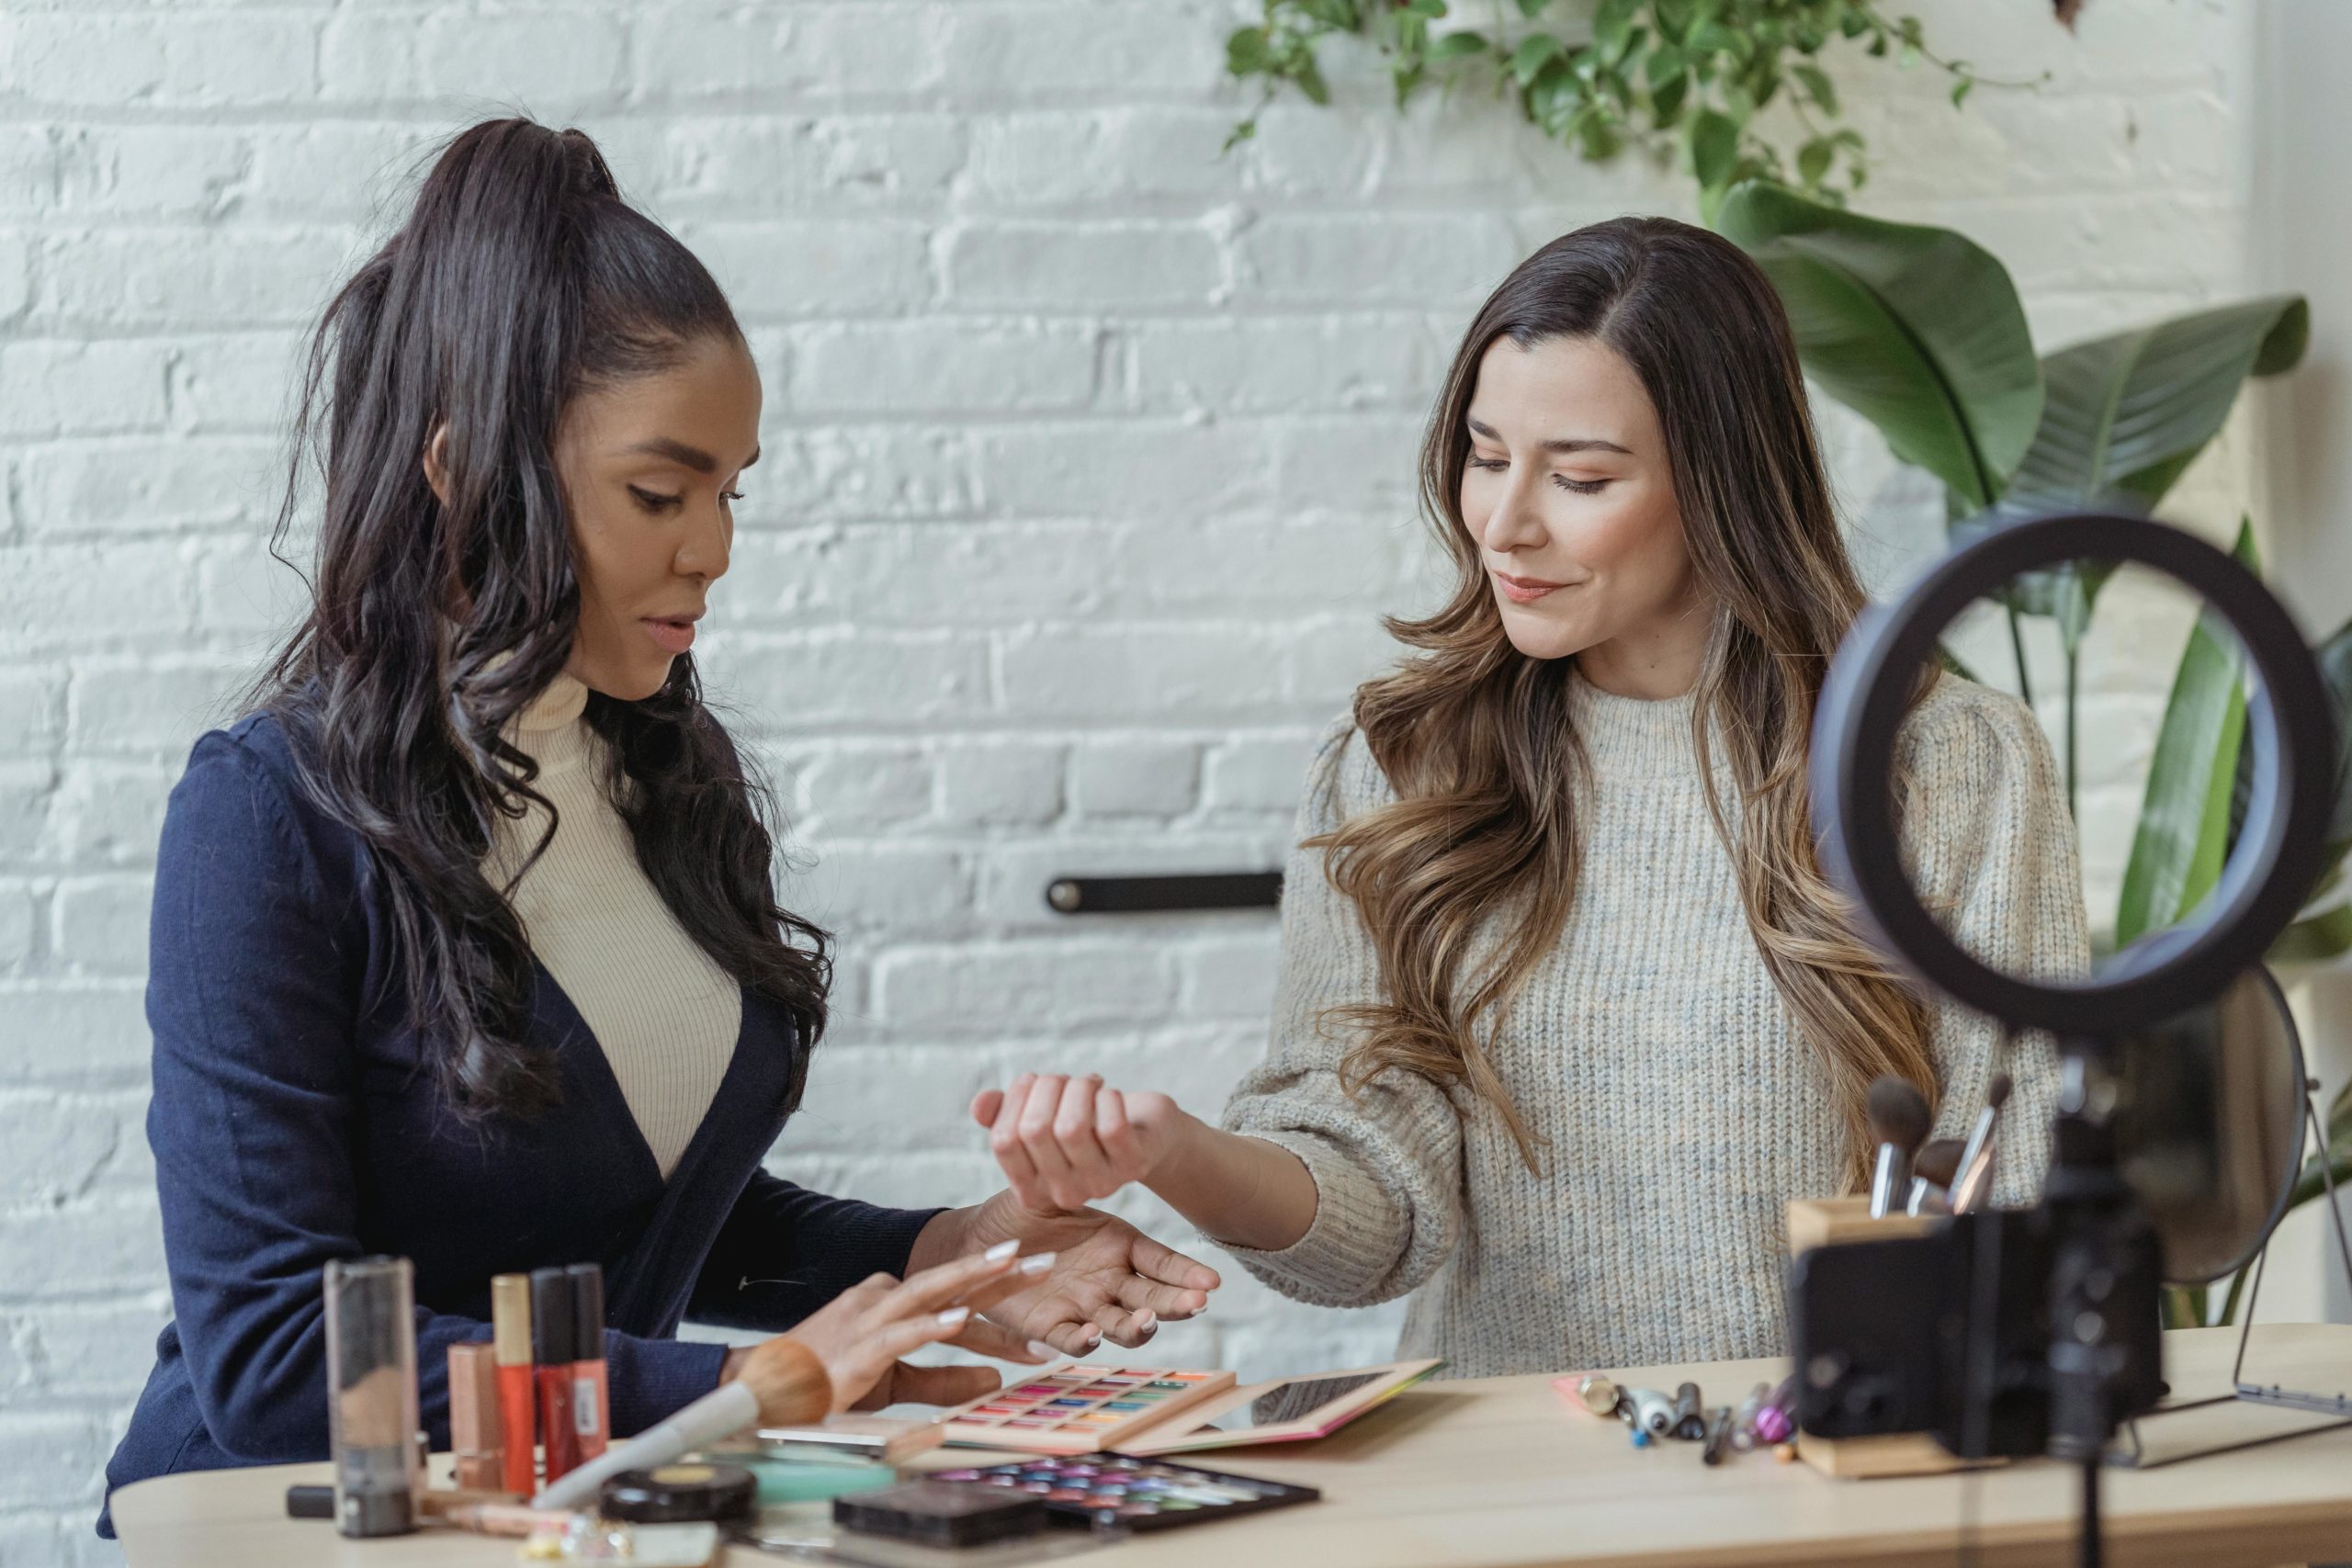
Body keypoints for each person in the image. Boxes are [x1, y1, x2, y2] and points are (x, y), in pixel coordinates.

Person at [98, 118, 1217, 1536]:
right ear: (461, 467)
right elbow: (275, 1356)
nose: (715, 546)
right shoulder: (272, 813)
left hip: (563, 1514)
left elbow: (644, 1209)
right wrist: (760, 1380)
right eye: (657, 491)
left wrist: (962, 1253)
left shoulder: (667, 777)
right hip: (295, 1526)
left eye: (730, 491)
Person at [971, 217, 2087, 1381]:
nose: (1503, 524)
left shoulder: (1944, 761)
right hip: (1513, 1489)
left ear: (1722, 484)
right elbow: (1377, 1229)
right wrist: (1172, 1150)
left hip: (1838, 1485)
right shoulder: (1400, 762)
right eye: (1486, 455)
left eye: (1581, 477)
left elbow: (2019, 1180)